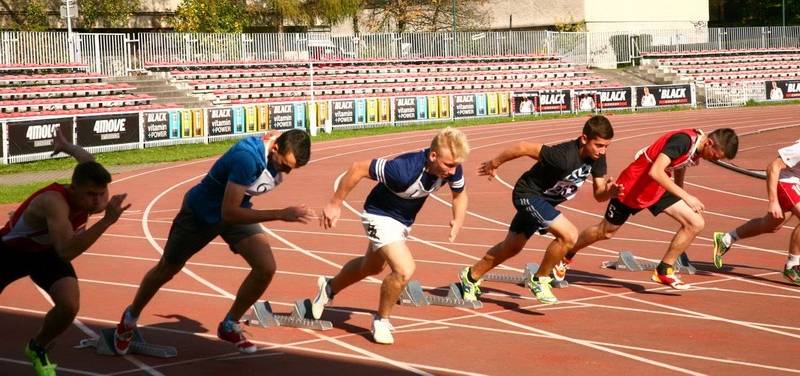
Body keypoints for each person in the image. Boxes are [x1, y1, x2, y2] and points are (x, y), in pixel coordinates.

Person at [114, 130, 314, 355]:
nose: (286, 171)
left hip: (235, 212)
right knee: (166, 270)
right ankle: (129, 320)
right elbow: (229, 212)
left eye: (291, 168)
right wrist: (279, 214)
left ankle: (229, 325)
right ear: (275, 148)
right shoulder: (247, 159)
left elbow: (276, 136)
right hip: (202, 214)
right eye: (284, 165)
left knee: (266, 268)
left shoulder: (276, 143)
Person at [310, 127, 470, 345]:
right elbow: (358, 167)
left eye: (456, 165)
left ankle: (328, 287)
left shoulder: (452, 168)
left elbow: (459, 195)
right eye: (448, 165)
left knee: (371, 267)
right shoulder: (403, 170)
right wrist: (335, 203)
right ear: (433, 156)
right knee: (404, 270)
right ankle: (381, 320)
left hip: (403, 222)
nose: (453, 171)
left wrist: (458, 219)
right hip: (378, 215)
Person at [1, 127, 129, 376]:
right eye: (91, 194)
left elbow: (85, 157)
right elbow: (66, 252)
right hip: (10, 252)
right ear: (74, 188)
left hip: (46, 253)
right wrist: (106, 221)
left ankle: (37, 347)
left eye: (102, 193)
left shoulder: (91, 185)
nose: (97, 201)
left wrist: (66, 146)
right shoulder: (54, 202)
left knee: (69, 306)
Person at [459, 116, 618, 305]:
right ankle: (540, 278)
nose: (602, 151)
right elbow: (523, 147)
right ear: (584, 139)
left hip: (544, 203)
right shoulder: (562, 156)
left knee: (511, 247)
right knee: (569, 235)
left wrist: (610, 192)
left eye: (606, 146)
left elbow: (599, 194)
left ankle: (470, 277)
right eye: (599, 145)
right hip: (527, 195)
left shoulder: (597, 158)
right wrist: (495, 163)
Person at [556, 127, 739, 290]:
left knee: (695, 223)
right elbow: (655, 171)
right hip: (634, 185)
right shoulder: (683, 141)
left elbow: (680, 163)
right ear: (709, 143)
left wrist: (679, 189)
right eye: (715, 156)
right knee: (605, 232)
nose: (714, 160)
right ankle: (566, 255)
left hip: (657, 188)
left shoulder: (697, 148)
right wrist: (686, 196)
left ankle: (664, 270)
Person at [713, 139, 800, 286]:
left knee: (771, 225)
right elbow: (773, 167)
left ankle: (726, 239)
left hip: (797, 183)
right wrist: (773, 201)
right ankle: (793, 266)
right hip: (787, 181)